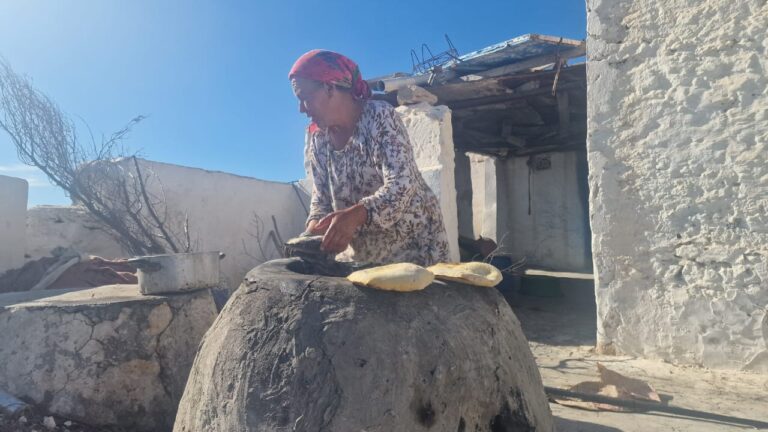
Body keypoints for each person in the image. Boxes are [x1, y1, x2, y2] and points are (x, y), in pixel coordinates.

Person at [289, 49, 449, 266]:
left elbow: (401, 187)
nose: (301, 109)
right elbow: (322, 199)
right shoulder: (319, 139)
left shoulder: (379, 117)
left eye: (304, 98)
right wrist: (313, 230)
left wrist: (356, 215)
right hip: (364, 257)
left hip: (414, 251)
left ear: (329, 88)